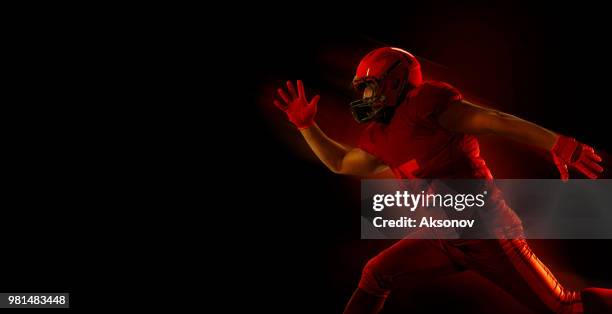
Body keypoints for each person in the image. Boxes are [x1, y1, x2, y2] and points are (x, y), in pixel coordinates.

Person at [273, 47, 611, 314]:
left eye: (370, 87)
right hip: (442, 237)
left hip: (489, 236)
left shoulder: (427, 104)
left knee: (566, 307)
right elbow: (341, 162)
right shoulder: (381, 135)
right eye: (362, 89)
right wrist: (307, 126)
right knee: (375, 274)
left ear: (394, 83)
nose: (365, 97)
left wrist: (559, 143)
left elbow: (492, 120)